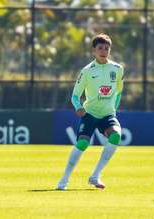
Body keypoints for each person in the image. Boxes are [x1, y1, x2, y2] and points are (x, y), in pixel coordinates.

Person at [57, 33, 124, 190]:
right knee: (82, 143)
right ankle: (63, 181)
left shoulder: (117, 69)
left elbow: (119, 91)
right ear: (93, 51)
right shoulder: (87, 71)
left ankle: (95, 176)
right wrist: (78, 107)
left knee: (116, 136)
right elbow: (75, 95)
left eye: (107, 48)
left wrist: (113, 109)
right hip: (90, 114)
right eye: (100, 48)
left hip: (107, 114)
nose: (103, 51)